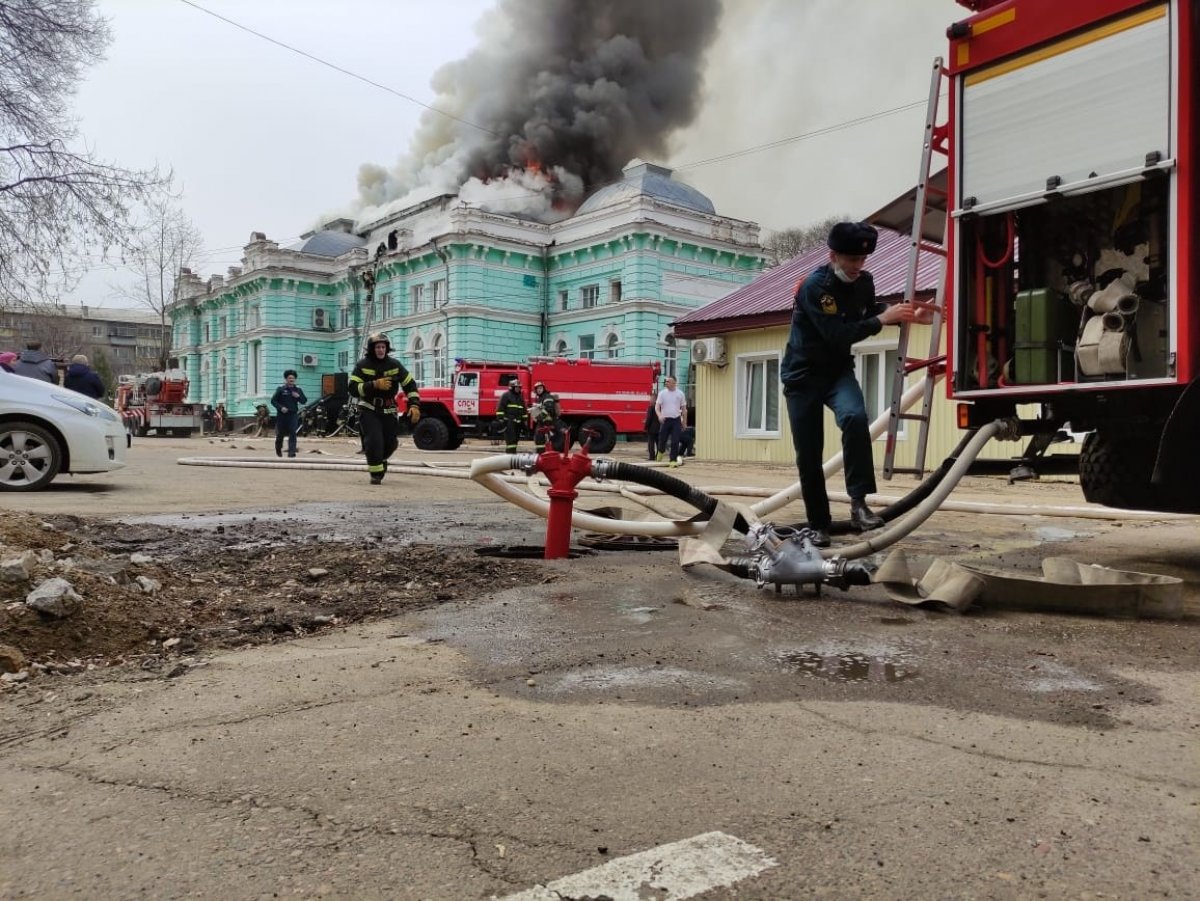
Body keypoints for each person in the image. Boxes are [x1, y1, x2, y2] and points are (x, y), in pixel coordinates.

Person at [782, 221, 921, 548]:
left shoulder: (864, 281)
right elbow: (837, 334)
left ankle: (859, 504)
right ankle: (818, 525)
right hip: (802, 377)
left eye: (863, 260)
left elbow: (867, 310)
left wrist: (897, 312)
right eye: (852, 260)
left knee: (855, 418)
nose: (859, 266)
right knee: (809, 453)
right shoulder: (814, 287)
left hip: (837, 372)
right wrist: (880, 321)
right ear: (833, 256)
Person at [349, 332, 420, 485]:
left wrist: (414, 404)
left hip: (389, 410)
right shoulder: (362, 365)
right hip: (369, 408)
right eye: (377, 347)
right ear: (371, 349)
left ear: (387, 349)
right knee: (374, 441)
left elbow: (410, 384)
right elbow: (353, 389)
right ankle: (376, 474)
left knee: (391, 443)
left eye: (383, 347)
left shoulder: (394, 365)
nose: (381, 350)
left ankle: (380, 460)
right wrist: (373, 385)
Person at [270, 369, 308, 457]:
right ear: (286, 379)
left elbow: (304, 401)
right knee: (280, 434)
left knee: (293, 433)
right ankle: (278, 448)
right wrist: (281, 407)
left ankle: (292, 452)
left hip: (293, 415)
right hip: (282, 415)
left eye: (293, 378)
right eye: (290, 378)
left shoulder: (298, 390)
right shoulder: (281, 389)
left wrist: (298, 397)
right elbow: (273, 401)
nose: (291, 380)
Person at [654, 375, 687, 467]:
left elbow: (684, 410)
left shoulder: (680, 394)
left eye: (668, 381)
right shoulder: (662, 393)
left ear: (674, 383)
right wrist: (659, 415)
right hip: (665, 420)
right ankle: (661, 451)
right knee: (662, 439)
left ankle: (672, 460)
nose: (666, 383)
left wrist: (684, 423)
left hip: (676, 420)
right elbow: (657, 408)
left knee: (675, 441)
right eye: (666, 381)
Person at [531, 380, 563, 452]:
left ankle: (542, 454)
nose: (539, 390)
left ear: (543, 389)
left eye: (540, 388)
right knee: (540, 439)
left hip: (547, 422)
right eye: (537, 389)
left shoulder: (547, 397)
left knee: (540, 438)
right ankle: (541, 453)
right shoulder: (540, 398)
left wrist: (539, 417)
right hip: (543, 422)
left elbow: (548, 409)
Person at [498, 377, 527, 454]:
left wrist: (524, 421)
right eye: (516, 387)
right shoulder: (506, 395)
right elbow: (501, 408)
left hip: (518, 423)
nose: (518, 389)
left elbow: (523, 409)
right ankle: (510, 455)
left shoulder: (520, 397)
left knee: (515, 440)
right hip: (509, 421)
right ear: (512, 387)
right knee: (510, 440)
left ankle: (512, 455)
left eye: (519, 387)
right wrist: (501, 419)